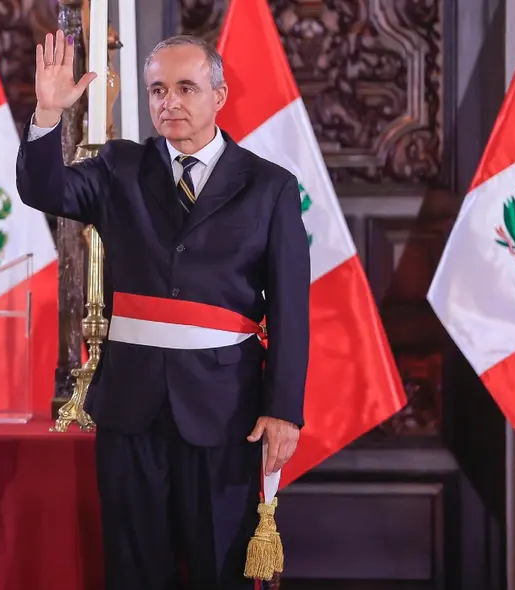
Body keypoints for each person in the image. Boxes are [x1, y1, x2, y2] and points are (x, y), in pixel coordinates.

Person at [17, 33, 310, 589]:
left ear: (219, 94)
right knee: (134, 570)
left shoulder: (269, 186)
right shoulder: (119, 166)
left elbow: (292, 308)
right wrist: (49, 113)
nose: (168, 102)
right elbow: (43, 189)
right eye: (157, 90)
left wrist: (285, 409)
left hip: (227, 412)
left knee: (218, 566)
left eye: (184, 88)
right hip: (132, 408)